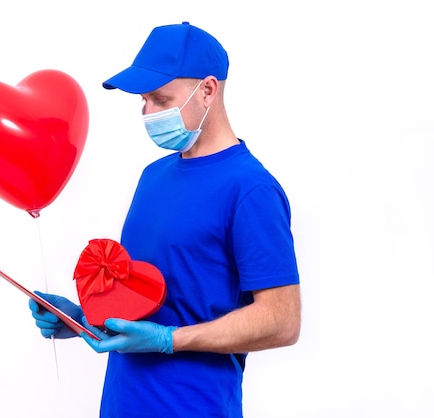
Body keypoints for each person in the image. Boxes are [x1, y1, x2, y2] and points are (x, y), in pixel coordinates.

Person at [29, 21, 301, 417]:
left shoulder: (250, 190)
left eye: (160, 98)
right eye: (143, 101)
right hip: (122, 403)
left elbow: (282, 320)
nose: (148, 112)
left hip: (194, 406)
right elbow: (153, 296)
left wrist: (167, 339)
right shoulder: (152, 177)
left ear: (208, 90)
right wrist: (83, 319)